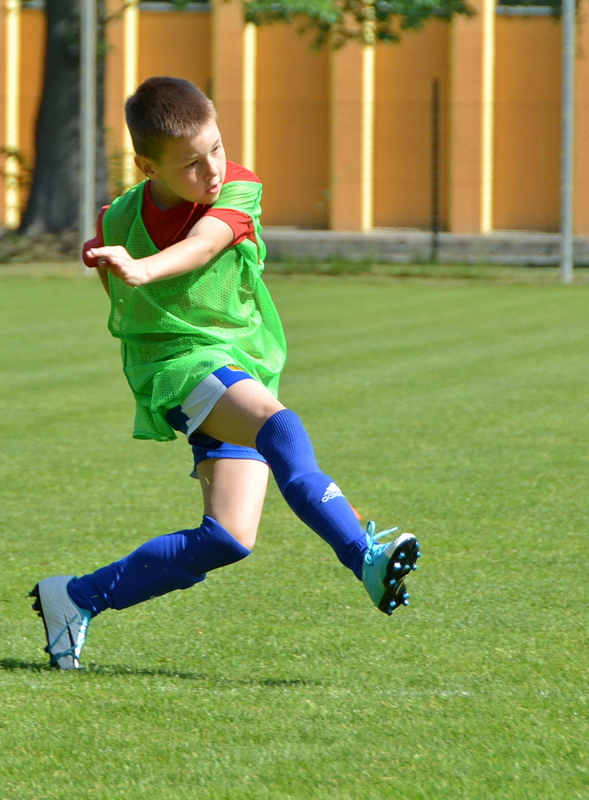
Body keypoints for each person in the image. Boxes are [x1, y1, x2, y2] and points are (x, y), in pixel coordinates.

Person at [29, 76, 420, 670]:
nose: (211, 169)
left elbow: (206, 244)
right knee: (280, 428)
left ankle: (73, 598)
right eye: (190, 163)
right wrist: (124, 266)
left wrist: (141, 269)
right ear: (146, 165)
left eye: (216, 148)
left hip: (238, 366)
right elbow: (119, 276)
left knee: (229, 539)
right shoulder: (120, 219)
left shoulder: (237, 186)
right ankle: (363, 555)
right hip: (181, 366)